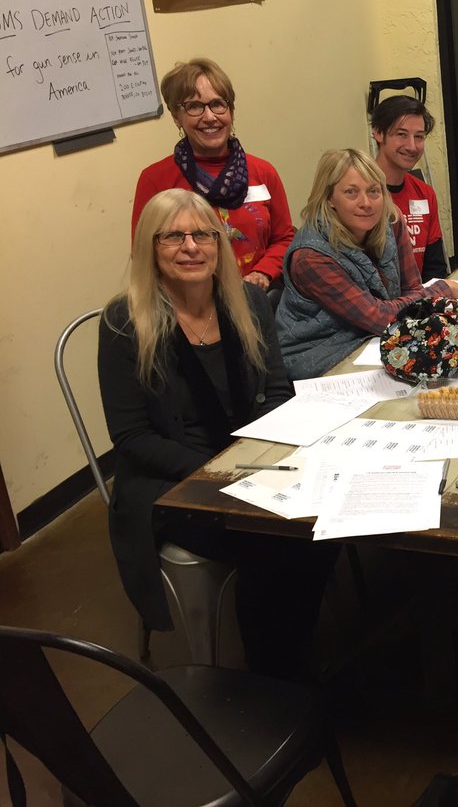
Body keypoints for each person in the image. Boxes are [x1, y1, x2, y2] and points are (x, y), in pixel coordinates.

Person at [99, 189, 335, 677]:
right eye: (172, 237)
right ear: (149, 247)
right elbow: (132, 438)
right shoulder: (125, 321)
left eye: (203, 235)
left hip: (251, 457)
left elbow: (276, 390)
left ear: (219, 243)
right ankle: (271, 677)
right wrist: (221, 472)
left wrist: (263, 455)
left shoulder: (248, 301)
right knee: (273, 541)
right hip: (174, 480)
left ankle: (294, 653)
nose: (191, 247)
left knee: (325, 525)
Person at [276, 149, 458, 380]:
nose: (366, 203)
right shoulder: (310, 256)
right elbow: (379, 317)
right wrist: (443, 290)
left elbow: (412, 290)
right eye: (351, 192)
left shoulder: (391, 219)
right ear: (329, 198)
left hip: (376, 339)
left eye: (373, 191)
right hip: (321, 356)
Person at [133, 58, 293, 290]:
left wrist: (262, 273)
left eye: (218, 104)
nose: (209, 117)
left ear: (231, 112)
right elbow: (144, 255)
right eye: (194, 106)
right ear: (176, 117)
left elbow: (284, 238)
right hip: (191, 301)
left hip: (258, 296)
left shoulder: (263, 172)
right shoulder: (155, 180)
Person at [371, 95, 449, 282]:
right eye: (401, 135)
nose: (412, 146)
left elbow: (435, 268)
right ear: (378, 133)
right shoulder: (361, 195)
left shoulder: (424, 193)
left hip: (419, 296)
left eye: (419, 137)